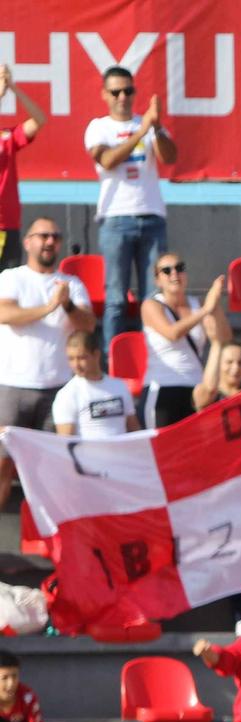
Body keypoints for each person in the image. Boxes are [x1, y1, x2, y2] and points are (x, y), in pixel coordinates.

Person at [0, 217, 93, 510]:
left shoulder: (72, 285)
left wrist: (65, 304)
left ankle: (52, 541)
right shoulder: (11, 277)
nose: (50, 241)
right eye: (43, 236)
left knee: (53, 471)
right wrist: (50, 306)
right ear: (28, 242)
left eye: (55, 236)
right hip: (11, 387)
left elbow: (88, 325)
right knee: (2, 466)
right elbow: (6, 314)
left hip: (58, 389)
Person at [84, 66, 175, 344]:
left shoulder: (148, 123)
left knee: (154, 298)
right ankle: (115, 362)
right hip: (115, 219)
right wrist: (140, 132)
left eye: (128, 90)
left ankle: (154, 360)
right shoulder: (98, 127)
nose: (122, 96)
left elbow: (170, 157)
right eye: (116, 91)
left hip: (151, 216)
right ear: (104, 94)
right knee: (116, 298)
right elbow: (107, 160)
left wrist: (156, 128)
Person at [137, 253, 225, 428]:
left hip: (198, 389)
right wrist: (205, 310)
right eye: (166, 270)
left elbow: (226, 337)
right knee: (162, 451)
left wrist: (215, 307)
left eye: (179, 268)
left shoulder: (198, 304)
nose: (174, 274)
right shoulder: (151, 305)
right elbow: (172, 333)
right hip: (163, 387)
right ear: (157, 280)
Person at [0, 66, 46, 270]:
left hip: (9, 224)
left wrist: (12, 87)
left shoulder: (7, 137)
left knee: (7, 289)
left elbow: (39, 120)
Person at [52, 330, 136, 438]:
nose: (76, 365)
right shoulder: (67, 394)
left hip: (122, 453)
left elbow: (133, 428)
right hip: (87, 454)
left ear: (96, 354)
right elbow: (65, 441)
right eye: (71, 359)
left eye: (82, 358)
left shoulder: (119, 386)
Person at [193, 320, 241, 411]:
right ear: (218, 364)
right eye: (229, 362)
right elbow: (210, 390)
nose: (236, 368)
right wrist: (216, 344)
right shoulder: (203, 393)